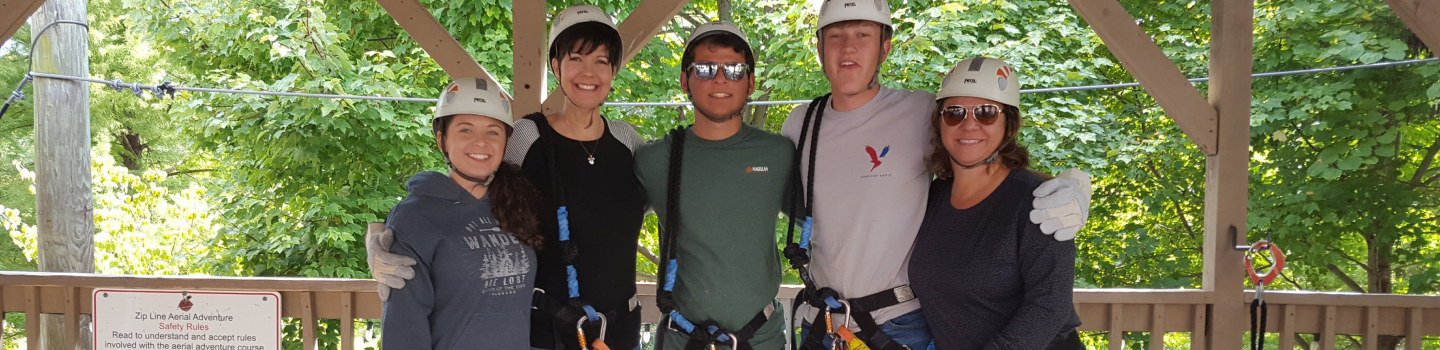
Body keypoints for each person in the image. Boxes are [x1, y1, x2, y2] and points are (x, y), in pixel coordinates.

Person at [781, 2, 1092, 349]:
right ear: (820, 48)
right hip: (822, 320)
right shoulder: (800, 123)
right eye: (835, 36)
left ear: (885, 48)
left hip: (895, 325)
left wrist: (1072, 182)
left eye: (863, 35)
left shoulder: (917, 111)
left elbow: (984, 155)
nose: (848, 47)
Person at [371, 5, 648, 350]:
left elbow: (667, 203)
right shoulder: (526, 136)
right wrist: (390, 239)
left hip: (620, 332)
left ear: (614, 69)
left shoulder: (628, 141)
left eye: (601, 61)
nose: (588, 72)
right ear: (556, 66)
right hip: (549, 333)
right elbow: (470, 189)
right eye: (576, 58)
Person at [908, 57, 1082, 350]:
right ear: (940, 122)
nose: (969, 124)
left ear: (1008, 123)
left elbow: (1049, 306)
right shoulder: (933, 198)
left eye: (986, 113)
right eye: (954, 113)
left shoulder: (1040, 202)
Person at [635, 21, 789, 350]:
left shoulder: (778, 155)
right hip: (683, 338)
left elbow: (835, 223)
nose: (720, 79)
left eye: (734, 69)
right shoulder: (655, 160)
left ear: (750, 82)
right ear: (684, 80)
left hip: (761, 338)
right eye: (705, 68)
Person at [380, 75, 545, 350]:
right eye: (466, 130)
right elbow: (403, 324)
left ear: (505, 142)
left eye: (493, 132)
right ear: (441, 139)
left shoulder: (518, 204)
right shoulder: (415, 217)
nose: (480, 142)